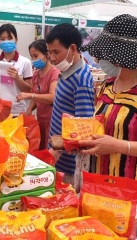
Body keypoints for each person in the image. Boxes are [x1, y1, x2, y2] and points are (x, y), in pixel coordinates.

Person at [79, 14, 137, 240]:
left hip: (133, 185)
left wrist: (119, 146)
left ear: (119, 55)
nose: (100, 59)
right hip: (100, 181)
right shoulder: (108, 85)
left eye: (105, 53)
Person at [46, 23, 95, 184]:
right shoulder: (66, 71)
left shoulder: (81, 79)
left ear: (73, 49)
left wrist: (59, 149)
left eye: (56, 52)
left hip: (68, 165)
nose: (52, 58)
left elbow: (84, 129)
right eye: (49, 52)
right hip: (57, 157)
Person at [16, 39, 60, 150]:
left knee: (49, 151)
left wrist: (30, 95)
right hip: (39, 120)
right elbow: (36, 95)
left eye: (36, 56)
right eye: (32, 56)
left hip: (52, 121)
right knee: (38, 150)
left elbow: (52, 97)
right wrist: (29, 110)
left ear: (46, 54)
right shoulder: (36, 74)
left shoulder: (54, 73)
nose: (33, 60)